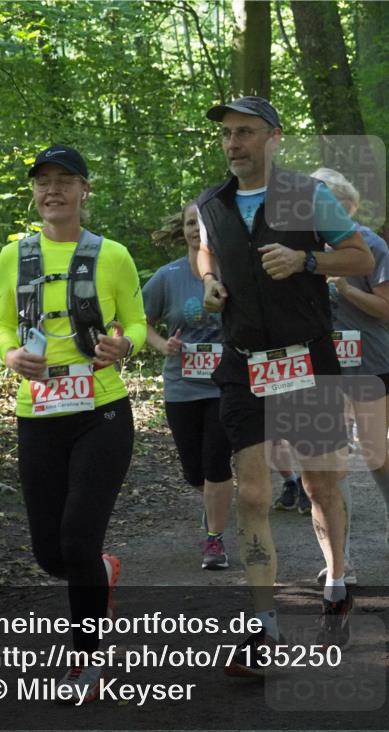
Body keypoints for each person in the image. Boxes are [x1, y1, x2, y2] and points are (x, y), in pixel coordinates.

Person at [196, 96, 373, 674]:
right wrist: (209, 282)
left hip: (308, 358)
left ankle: (337, 579)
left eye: (244, 132)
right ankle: (261, 625)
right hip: (245, 363)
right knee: (252, 493)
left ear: (273, 137)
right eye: (226, 134)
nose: (232, 143)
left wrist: (306, 262)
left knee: (321, 484)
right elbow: (206, 253)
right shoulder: (211, 203)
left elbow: (357, 254)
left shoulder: (307, 196)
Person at [0, 145, 147, 702]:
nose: (52, 190)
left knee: (78, 539)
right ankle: (101, 573)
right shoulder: (14, 256)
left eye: (64, 180)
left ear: (85, 190)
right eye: (42, 182)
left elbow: (134, 319)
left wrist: (122, 344)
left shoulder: (113, 255)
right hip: (37, 413)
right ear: (33, 192)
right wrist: (12, 356)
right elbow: (2, 328)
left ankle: (87, 660)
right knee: (50, 555)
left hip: (100, 411)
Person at [312, 167, 389, 583]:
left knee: (373, 453)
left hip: (370, 361)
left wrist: (347, 289)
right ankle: (342, 559)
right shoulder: (299, 248)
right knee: (331, 464)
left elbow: (387, 311)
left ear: (341, 205)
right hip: (319, 367)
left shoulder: (369, 245)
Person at [144, 202, 233, 571]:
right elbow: (139, 321)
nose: (197, 228)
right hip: (181, 385)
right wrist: (163, 344)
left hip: (225, 384)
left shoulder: (234, 271)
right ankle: (216, 505)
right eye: (189, 223)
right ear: (181, 230)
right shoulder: (168, 276)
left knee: (216, 462)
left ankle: (215, 539)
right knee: (194, 472)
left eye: (203, 221)